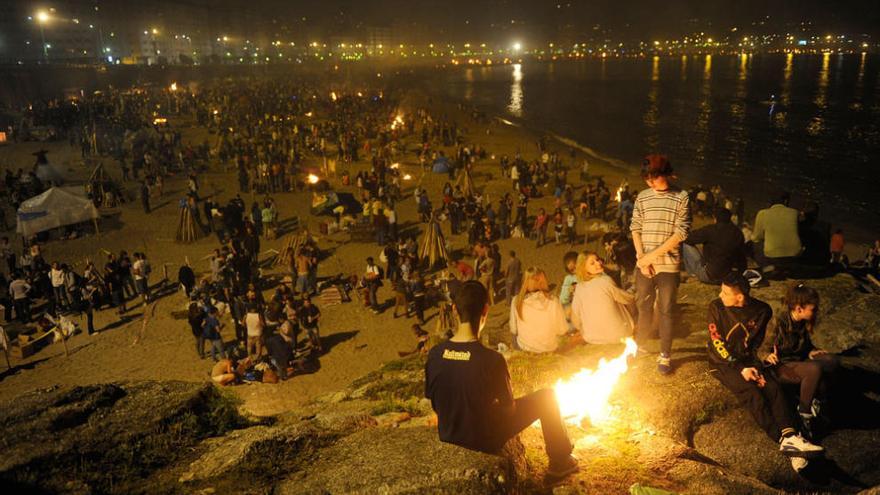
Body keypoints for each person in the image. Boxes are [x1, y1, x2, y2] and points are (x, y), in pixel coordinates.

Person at [425, 281, 578, 479]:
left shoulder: (435, 354)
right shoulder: (491, 359)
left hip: (448, 434)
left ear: (455, 309)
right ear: (485, 310)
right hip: (483, 438)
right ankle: (560, 461)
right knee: (547, 397)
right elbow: (509, 409)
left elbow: (435, 403)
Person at [707, 273, 823, 472]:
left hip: (749, 360)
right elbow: (717, 342)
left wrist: (758, 362)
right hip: (723, 363)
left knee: (773, 387)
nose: (720, 294)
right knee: (753, 395)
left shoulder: (762, 310)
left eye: (726, 292)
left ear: (740, 297)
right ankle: (786, 442)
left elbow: (758, 343)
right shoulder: (716, 307)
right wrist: (740, 368)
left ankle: (791, 439)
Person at [631, 154, 691, 374]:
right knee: (643, 307)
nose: (649, 183)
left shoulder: (681, 196)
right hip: (644, 264)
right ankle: (639, 345)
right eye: (647, 179)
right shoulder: (643, 197)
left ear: (664, 175)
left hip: (668, 265)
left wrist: (650, 257)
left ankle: (665, 355)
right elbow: (635, 227)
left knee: (666, 310)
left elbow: (681, 233)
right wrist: (641, 257)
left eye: (653, 178)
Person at [764, 283, 840, 436]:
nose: (816, 311)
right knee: (814, 369)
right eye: (813, 309)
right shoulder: (778, 321)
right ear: (799, 309)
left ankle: (817, 400)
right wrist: (767, 355)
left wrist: (812, 351)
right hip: (781, 366)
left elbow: (804, 345)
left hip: (799, 361)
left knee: (832, 360)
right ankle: (804, 413)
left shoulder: (801, 321)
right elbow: (762, 347)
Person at [570, 252, 634, 344]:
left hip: (591, 337)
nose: (598, 263)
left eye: (597, 259)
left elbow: (575, 318)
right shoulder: (605, 280)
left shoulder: (579, 287)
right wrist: (635, 291)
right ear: (584, 268)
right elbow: (627, 299)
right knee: (625, 301)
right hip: (618, 335)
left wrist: (581, 328)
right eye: (592, 263)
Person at [509, 267, 568, 353]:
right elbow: (562, 330)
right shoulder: (553, 301)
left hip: (524, 347)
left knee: (515, 336)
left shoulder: (516, 301)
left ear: (525, 282)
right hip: (549, 349)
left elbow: (513, 329)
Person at [682, 207, 746, 284]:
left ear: (715, 218)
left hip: (710, 276)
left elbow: (688, 238)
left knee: (686, 244)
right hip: (731, 277)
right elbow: (742, 256)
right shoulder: (738, 232)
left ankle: (693, 275)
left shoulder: (711, 230)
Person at [752, 191, 802, 271]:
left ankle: (766, 266)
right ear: (786, 201)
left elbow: (756, 237)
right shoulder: (795, 212)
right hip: (794, 256)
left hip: (771, 257)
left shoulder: (762, 213)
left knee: (755, 243)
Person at [559, 252, 579, 316]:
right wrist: (568, 290)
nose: (576, 271)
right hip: (577, 306)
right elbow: (562, 299)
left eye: (577, 267)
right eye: (572, 270)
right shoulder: (569, 279)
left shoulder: (589, 272)